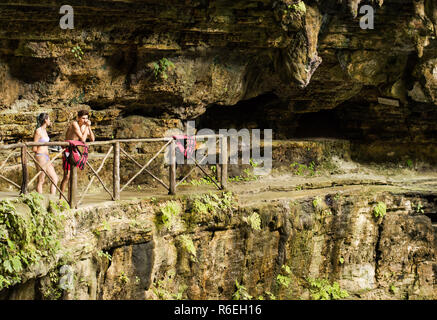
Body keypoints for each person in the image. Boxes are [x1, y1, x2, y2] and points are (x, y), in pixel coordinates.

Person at [60, 110, 95, 196]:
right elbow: (83, 140)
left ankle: (70, 198)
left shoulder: (84, 126)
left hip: (75, 150)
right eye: (83, 118)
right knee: (67, 176)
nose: (85, 120)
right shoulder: (74, 124)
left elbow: (92, 139)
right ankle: (61, 199)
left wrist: (89, 127)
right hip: (68, 149)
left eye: (86, 118)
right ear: (78, 118)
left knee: (73, 176)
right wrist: (87, 127)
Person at [33, 113, 58, 194]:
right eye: (49, 119)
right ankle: (40, 200)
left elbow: (46, 147)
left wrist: (49, 159)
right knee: (41, 179)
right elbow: (34, 147)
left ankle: (52, 199)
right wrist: (40, 159)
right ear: (45, 120)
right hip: (40, 156)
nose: (50, 121)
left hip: (47, 157)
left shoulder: (45, 131)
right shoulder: (38, 131)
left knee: (55, 178)